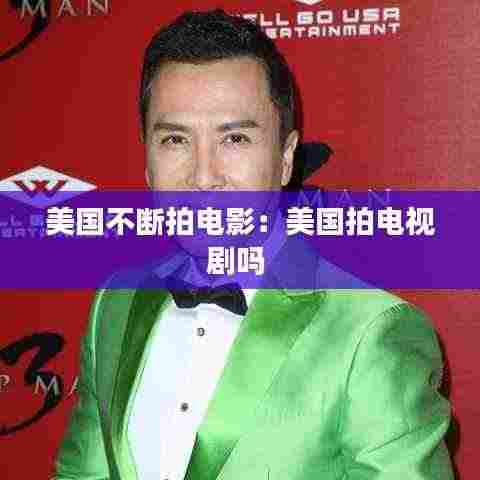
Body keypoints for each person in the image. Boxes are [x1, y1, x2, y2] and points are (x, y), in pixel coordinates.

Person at [53, 9, 454, 480]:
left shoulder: (370, 334)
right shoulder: (114, 303)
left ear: (285, 158)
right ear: (147, 160)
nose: (203, 177)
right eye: (176, 140)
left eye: (235, 139)